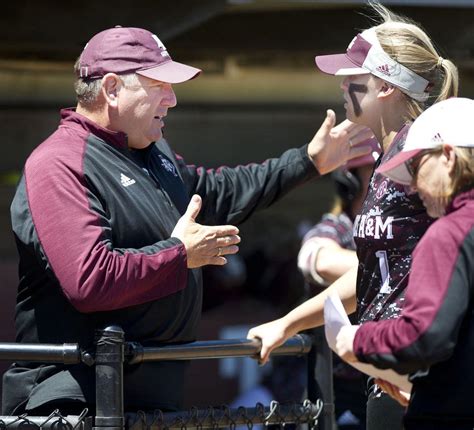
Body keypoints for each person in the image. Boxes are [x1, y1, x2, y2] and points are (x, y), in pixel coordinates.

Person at [2, 26, 372, 416]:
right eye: (160, 85)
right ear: (111, 89)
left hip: (152, 398)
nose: (173, 99)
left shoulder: (150, 150)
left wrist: (306, 162)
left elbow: (219, 191)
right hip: (77, 406)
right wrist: (180, 254)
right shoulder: (58, 162)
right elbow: (89, 280)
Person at [247, 3, 459, 429]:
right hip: (390, 373)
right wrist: (287, 324)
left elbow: (460, 258)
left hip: (424, 375)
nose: (342, 85)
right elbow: (374, 275)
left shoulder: (426, 155)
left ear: (385, 87)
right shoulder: (389, 159)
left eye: (353, 76)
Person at [335, 97, 474, 430]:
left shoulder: (450, 233)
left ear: (449, 157)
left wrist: (357, 341)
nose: (412, 185)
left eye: (416, 168)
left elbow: (425, 335)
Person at [297, 138, 381, 429]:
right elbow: (315, 258)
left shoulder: (402, 226)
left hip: (388, 378)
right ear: (350, 181)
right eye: (376, 170)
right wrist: (389, 266)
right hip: (338, 389)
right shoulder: (339, 227)